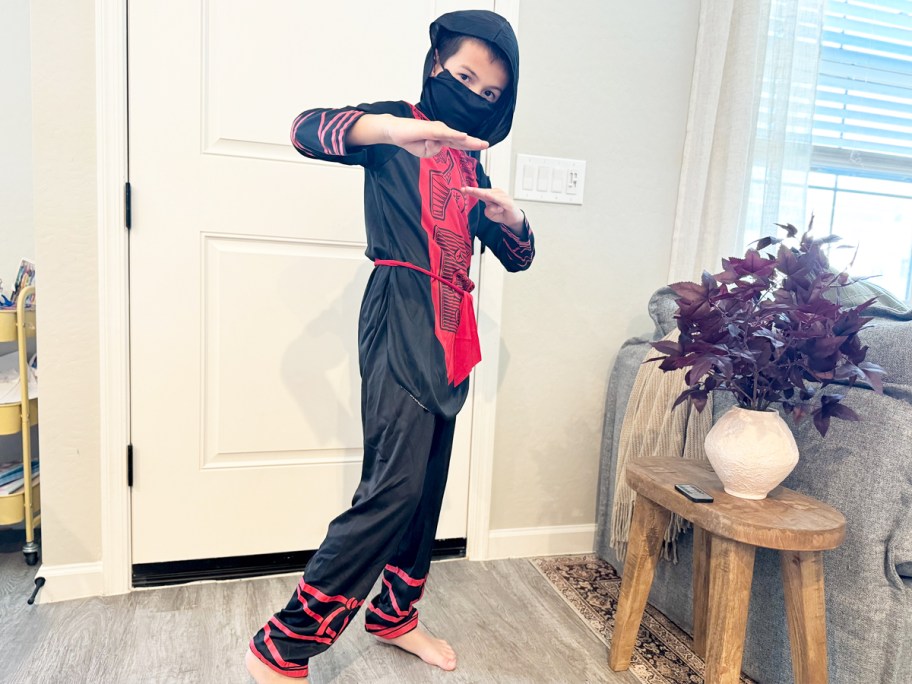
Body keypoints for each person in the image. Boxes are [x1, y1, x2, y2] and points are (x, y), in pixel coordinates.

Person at [245, 10, 534, 683]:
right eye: (465, 76)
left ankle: (395, 617)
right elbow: (305, 131)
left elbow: (516, 258)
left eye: (490, 93)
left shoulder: (472, 159)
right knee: (393, 488)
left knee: (426, 487)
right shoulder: (392, 126)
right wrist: (397, 131)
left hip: (452, 322)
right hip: (400, 307)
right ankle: (284, 643)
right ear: (436, 64)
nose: (473, 95)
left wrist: (513, 218)